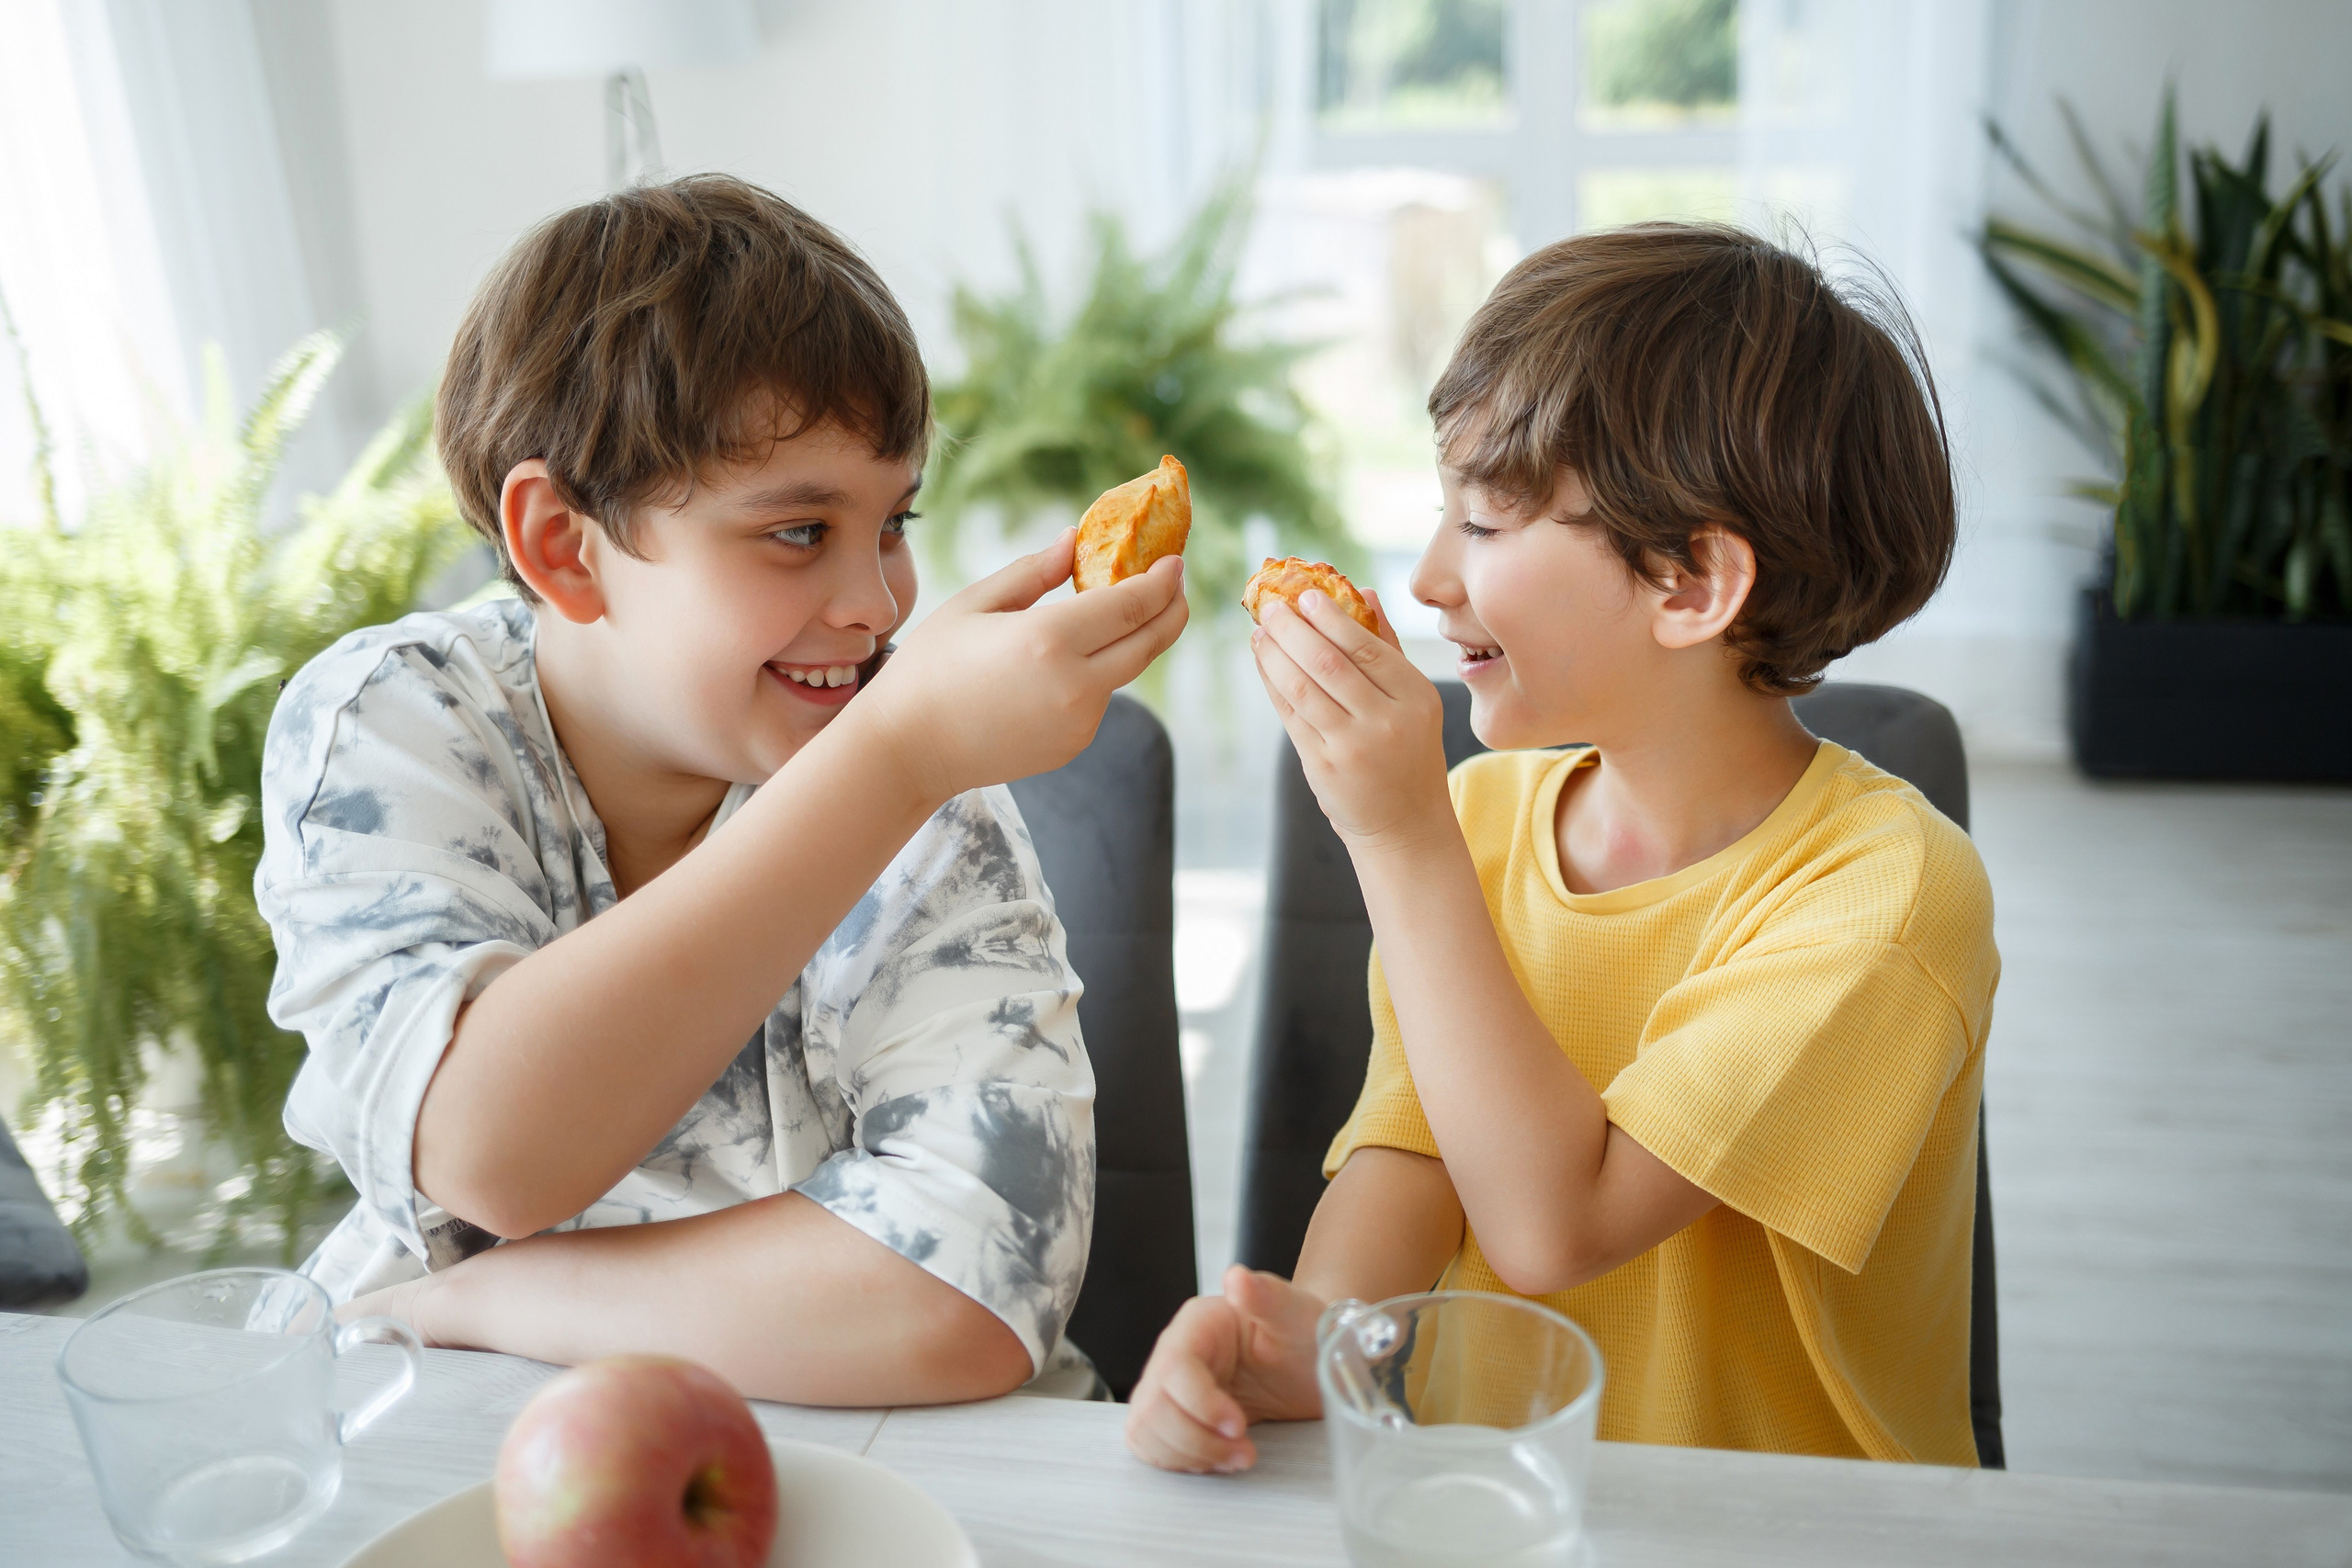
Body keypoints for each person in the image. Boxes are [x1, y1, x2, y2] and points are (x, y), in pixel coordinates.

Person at [255, 175, 1187, 1406]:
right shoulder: (396, 728)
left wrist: (488, 1294)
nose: (877, 604)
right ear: (561, 546)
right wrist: (890, 759)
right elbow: (488, 1154)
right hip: (469, 1431)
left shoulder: (917, 780)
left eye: (894, 521)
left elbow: (961, 1302)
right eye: (800, 531)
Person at [1126, 224, 1996, 1470]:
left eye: (1485, 522)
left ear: (1692, 583)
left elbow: (1553, 1227)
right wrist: (1318, 1344)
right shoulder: (1482, 819)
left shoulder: (1886, 900)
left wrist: (1396, 834)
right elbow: (1417, 1148)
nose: (1428, 577)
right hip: (1504, 1501)